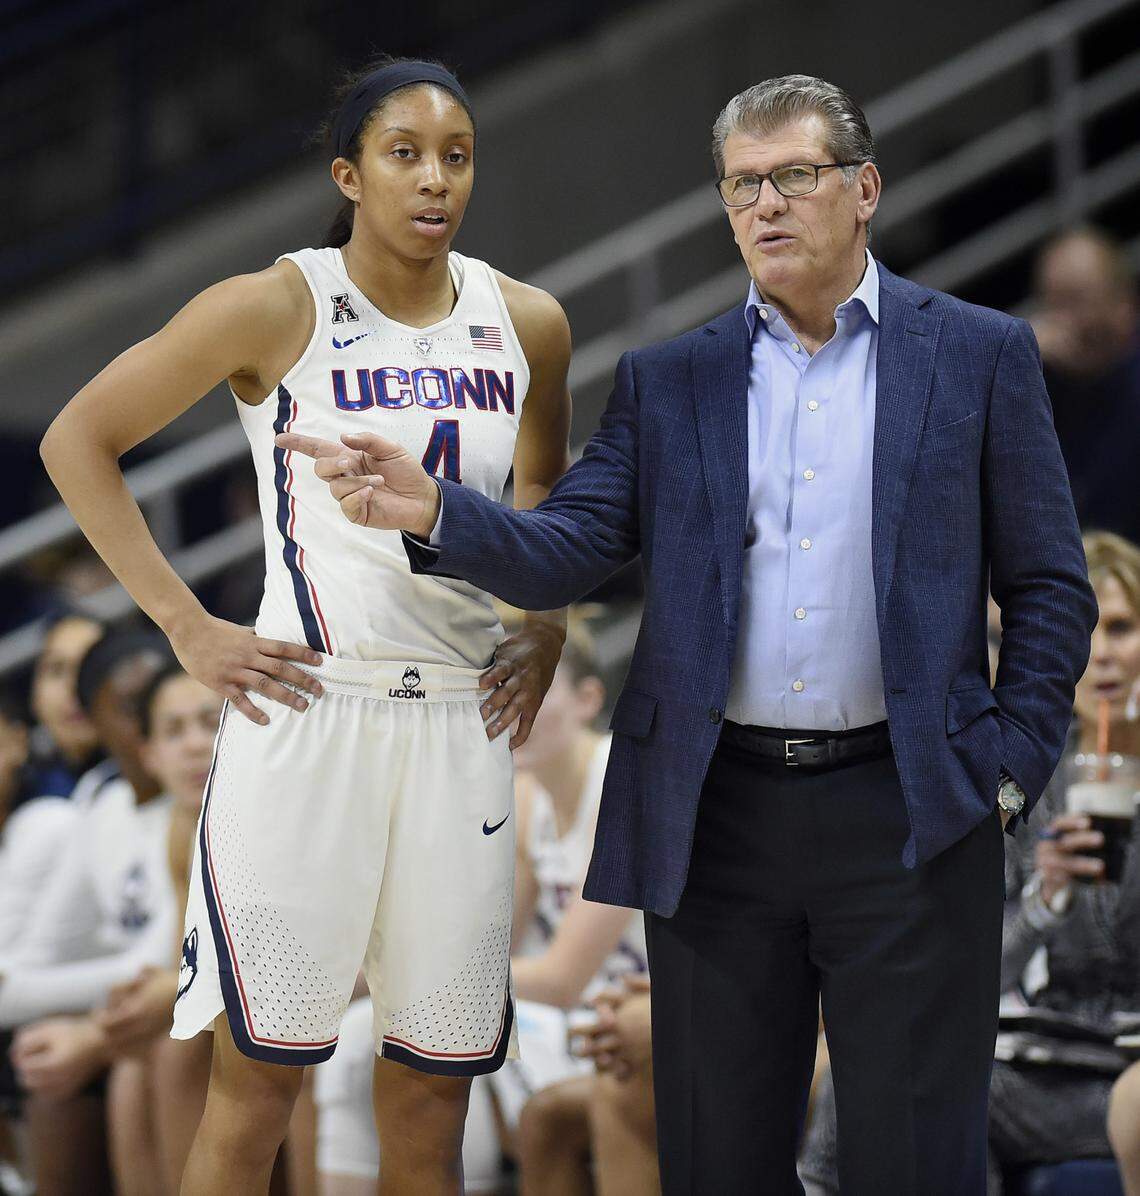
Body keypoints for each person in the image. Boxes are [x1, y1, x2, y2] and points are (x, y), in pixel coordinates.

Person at [284, 73, 1098, 1194]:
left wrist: (1006, 771)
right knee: (717, 1159)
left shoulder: (977, 353)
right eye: (743, 186)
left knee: (917, 1160)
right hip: (718, 814)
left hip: (913, 803)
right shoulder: (674, 379)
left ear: (863, 189)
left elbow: (1052, 584)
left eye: (794, 178)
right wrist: (434, 507)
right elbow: (571, 541)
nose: (766, 206)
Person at [40, 54, 573, 1196]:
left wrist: (549, 620)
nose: (436, 179)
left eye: (457, 156)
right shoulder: (276, 302)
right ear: (351, 172)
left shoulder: (528, 321)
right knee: (258, 1086)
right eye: (405, 154)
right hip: (309, 709)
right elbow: (76, 439)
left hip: (458, 733)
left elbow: (545, 494)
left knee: (432, 1100)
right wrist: (186, 626)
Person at [801, 529, 1140, 1194]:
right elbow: (977, 964)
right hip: (1034, 1062)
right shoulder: (1022, 785)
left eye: (1124, 628)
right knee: (881, 1061)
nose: (1102, 655)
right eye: (1088, 630)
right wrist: (1045, 900)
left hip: (1124, 1076)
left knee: (952, 1101)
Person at [1030, 227, 1140, 544]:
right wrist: (1016, 362)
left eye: (1078, 301)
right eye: (1054, 303)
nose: (1065, 323)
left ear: (1123, 304)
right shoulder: (1040, 380)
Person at [25, 612, 105, 800]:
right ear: (35, 697)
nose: (73, 687)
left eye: (88, 666)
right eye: (56, 669)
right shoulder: (23, 808)